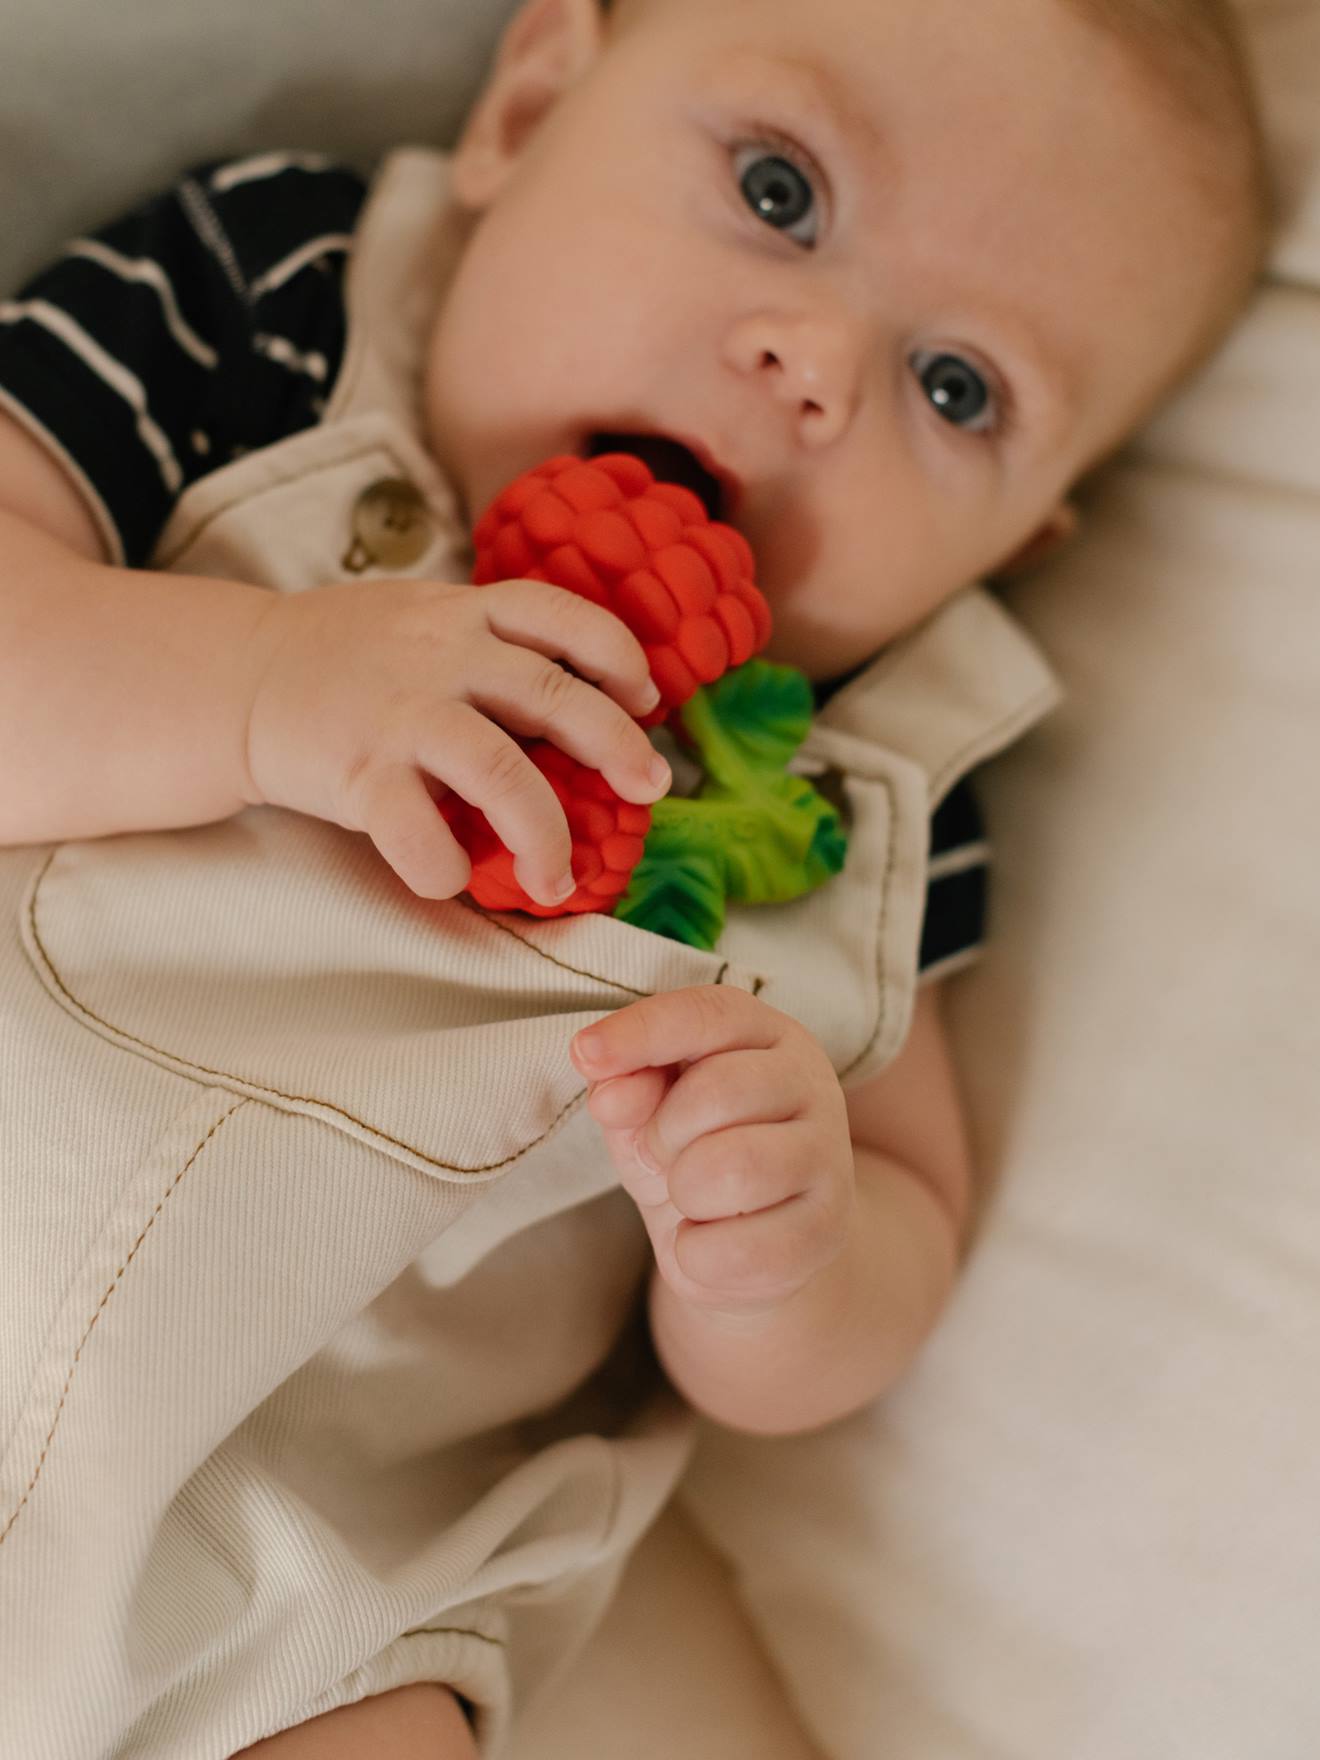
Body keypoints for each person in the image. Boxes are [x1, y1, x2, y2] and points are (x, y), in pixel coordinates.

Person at [0, 0, 1268, 1754]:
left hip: (302, 1555)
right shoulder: (278, 300)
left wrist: (789, 1255)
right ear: (530, 107)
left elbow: (895, 1235)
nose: (814, 360)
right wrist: (262, 687)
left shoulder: (880, 790)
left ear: (1020, 540)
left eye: (956, 388)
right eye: (778, 190)